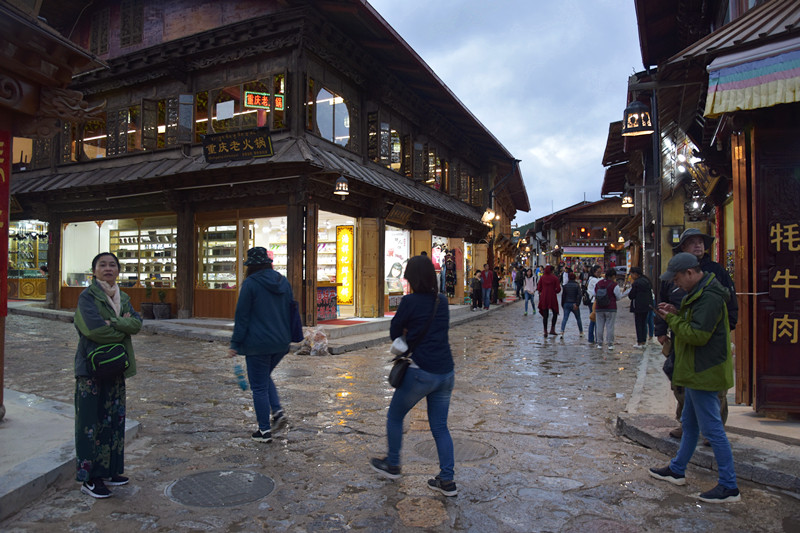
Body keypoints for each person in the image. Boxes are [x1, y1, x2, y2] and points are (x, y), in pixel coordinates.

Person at [649, 252, 740, 503]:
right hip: (695, 370)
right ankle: (677, 469)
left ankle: (729, 485)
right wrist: (677, 311)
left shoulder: (709, 296)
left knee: (713, 429)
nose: (675, 284)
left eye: (677, 278)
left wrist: (672, 318)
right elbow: (697, 322)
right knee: (689, 423)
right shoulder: (700, 292)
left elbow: (698, 335)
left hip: (704, 370)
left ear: (690, 273)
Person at [370, 256, 457, 497]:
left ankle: (393, 464)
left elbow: (394, 332)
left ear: (413, 278)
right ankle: (447, 480)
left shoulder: (409, 302)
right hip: (446, 372)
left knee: (395, 416)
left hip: (421, 372)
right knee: (440, 427)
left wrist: (408, 330)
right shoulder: (442, 301)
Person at [656, 228, 737, 440]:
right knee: (680, 379)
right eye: (692, 242)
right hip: (681, 335)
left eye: (700, 241)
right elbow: (663, 300)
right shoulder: (674, 273)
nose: (698, 245)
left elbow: (730, 303)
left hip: (707, 337)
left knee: (713, 386)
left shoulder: (716, 272)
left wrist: (725, 329)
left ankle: (714, 429)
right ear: (683, 247)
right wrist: (662, 329)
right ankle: (687, 423)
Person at [73, 252, 142, 498]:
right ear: (94, 271)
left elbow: (137, 323)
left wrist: (112, 322)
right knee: (89, 422)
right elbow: (94, 331)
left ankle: (110, 470)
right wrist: (121, 325)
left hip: (115, 367)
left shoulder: (123, 297)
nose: (108, 268)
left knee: (113, 420)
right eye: (102, 265)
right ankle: (89, 478)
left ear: (118, 270)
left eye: (112, 264)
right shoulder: (87, 297)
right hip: (91, 369)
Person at [228, 246, 293, 443]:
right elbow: (291, 310)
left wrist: (235, 343)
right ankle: (277, 411)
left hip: (258, 344)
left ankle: (264, 431)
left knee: (258, 387)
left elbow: (242, 316)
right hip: (281, 342)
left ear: (251, 266)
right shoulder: (283, 281)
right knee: (264, 377)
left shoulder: (250, 284)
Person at [592, 267, 629, 350]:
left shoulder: (598, 283)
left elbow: (594, 294)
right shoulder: (614, 285)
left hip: (599, 307)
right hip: (611, 308)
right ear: (613, 276)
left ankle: (599, 344)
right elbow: (618, 297)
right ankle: (610, 344)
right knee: (610, 326)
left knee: (599, 326)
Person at [627, 266, 654, 347]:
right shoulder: (647, 281)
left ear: (635, 274)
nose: (631, 276)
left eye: (632, 274)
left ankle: (639, 341)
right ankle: (643, 341)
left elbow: (631, 295)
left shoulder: (636, 283)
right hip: (646, 306)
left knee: (638, 323)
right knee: (644, 323)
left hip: (638, 306)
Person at [536, 265, 561, 337]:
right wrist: (554, 291)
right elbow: (558, 289)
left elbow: (539, 288)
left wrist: (543, 291)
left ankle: (545, 330)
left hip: (544, 297)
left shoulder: (542, 278)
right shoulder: (555, 278)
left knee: (545, 314)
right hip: (552, 297)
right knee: (555, 312)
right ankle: (552, 328)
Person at [559, 272, 583, 337]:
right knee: (578, 318)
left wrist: (562, 304)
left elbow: (563, 296)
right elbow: (579, 295)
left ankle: (562, 331)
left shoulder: (565, 286)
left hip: (566, 303)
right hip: (574, 303)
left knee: (565, 318)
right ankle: (581, 332)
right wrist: (577, 304)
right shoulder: (577, 285)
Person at [585, 265, 602, 344]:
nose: (599, 274)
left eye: (600, 272)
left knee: (594, 320)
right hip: (593, 301)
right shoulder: (593, 280)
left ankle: (593, 338)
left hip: (594, 301)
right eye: (598, 272)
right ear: (594, 272)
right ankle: (593, 338)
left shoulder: (592, 279)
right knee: (594, 320)